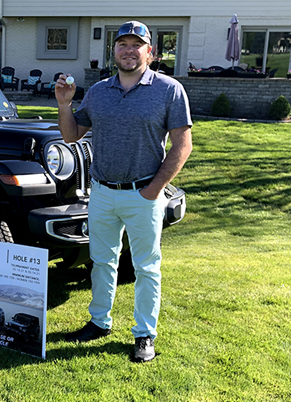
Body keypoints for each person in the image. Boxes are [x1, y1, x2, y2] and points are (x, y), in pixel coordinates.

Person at [55, 20, 193, 363]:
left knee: (146, 267)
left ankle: (144, 334)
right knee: (102, 262)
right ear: (113, 50)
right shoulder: (99, 91)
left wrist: (154, 190)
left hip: (143, 194)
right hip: (101, 192)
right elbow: (72, 136)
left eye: (137, 45)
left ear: (150, 52)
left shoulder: (169, 89)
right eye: (122, 45)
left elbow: (182, 146)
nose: (129, 51)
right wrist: (64, 104)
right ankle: (99, 322)